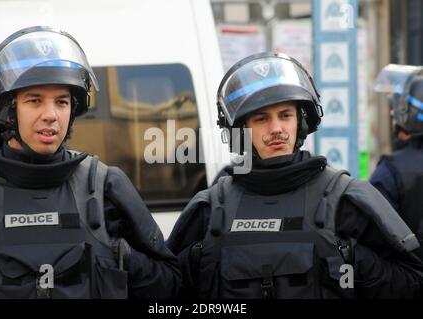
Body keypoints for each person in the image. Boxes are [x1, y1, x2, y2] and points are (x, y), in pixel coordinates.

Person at [167, 52, 423, 299]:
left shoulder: (346, 200)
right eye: (261, 118)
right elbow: (163, 287)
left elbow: (411, 281)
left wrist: (353, 257)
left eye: (285, 115)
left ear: (300, 122)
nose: (276, 128)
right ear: (242, 129)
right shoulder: (210, 208)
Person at [0, 26, 180, 299]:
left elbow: (172, 285)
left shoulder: (106, 185)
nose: (51, 115)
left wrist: (123, 259)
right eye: (35, 101)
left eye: (61, 102)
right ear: (8, 111)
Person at [370, 64, 423, 260]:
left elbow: (373, 237)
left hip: (409, 281)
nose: (392, 117)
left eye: (395, 113)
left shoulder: (390, 171)